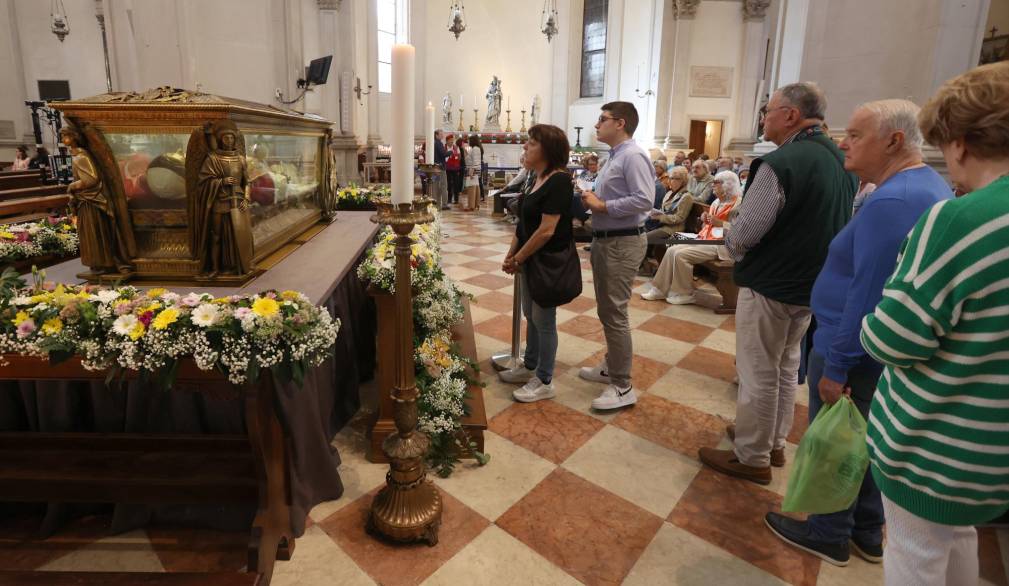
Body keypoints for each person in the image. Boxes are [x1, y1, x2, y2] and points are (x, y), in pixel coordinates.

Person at [763, 99, 953, 567]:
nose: (843, 143)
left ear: (894, 141)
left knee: (837, 440)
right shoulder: (923, 185)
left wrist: (839, 362)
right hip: (873, 351)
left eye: (856, 135)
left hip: (852, 348)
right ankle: (866, 529)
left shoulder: (895, 200)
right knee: (865, 436)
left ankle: (828, 531)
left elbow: (866, 296)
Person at [860, 62, 1009, 586]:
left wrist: (869, 326)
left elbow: (895, 338)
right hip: (995, 444)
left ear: (962, 142)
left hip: (938, 441)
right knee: (962, 535)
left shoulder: (960, 218)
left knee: (915, 553)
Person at [698, 82, 857, 485]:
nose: (762, 118)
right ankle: (773, 441)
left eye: (768, 111)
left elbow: (747, 231)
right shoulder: (841, 158)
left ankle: (751, 457)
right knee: (787, 366)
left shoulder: (782, 162)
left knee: (758, 371)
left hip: (772, 283)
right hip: (812, 284)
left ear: (790, 115)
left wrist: (731, 244)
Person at [578, 101, 654, 410]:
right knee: (607, 310)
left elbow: (644, 199)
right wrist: (591, 196)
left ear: (620, 123)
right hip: (606, 240)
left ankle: (623, 386)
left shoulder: (633, 156)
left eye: (602, 119)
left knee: (616, 313)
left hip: (622, 242)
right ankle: (611, 365)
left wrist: (603, 206)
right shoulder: (614, 156)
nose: (597, 125)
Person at [499, 124, 575, 402]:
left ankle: (544, 379)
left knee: (544, 319)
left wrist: (519, 257)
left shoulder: (560, 181)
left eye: (531, 143)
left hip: (548, 262)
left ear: (547, 149)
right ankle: (529, 365)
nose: (525, 147)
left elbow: (546, 230)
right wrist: (511, 254)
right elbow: (524, 224)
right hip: (530, 259)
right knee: (530, 314)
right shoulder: (536, 177)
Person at [640, 171, 741, 304]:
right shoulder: (717, 202)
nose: (712, 186)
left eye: (716, 183)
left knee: (681, 254)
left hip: (723, 245)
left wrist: (722, 224)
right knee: (672, 249)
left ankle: (684, 293)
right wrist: (705, 220)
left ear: (727, 185)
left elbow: (741, 231)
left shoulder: (739, 205)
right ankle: (659, 289)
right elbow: (710, 225)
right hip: (706, 239)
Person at [464, 134, 483, 211]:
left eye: (469, 140)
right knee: (476, 187)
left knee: (472, 188)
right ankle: (476, 204)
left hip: (473, 169)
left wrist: (472, 170)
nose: (468, 141)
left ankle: (471, 206)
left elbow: (475, 160)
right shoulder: (477, 148)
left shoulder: (475, 149)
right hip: (476, 169)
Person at [433, 130, 450, 210]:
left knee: (437, 186)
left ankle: (437, 204)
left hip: (436, 167)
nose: (442, 135)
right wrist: (450, 152)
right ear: (436, 135)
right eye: (441, 134)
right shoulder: (438, 143)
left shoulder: (435, 143)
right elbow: (443, 154)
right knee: (443, 186)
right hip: (440, 168)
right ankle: (444, 204)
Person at [445, 135, 463, 205]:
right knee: (448, 184)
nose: (452, 141)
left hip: (455, 168)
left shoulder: (456, 148)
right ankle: (449, 198)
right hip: (447, 168)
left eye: (452, 140)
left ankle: (456, 199)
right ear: (447, 141)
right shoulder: (444, 147)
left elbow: (459, 157)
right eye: (450, 140)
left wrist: (455, 159)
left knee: (456, 183)